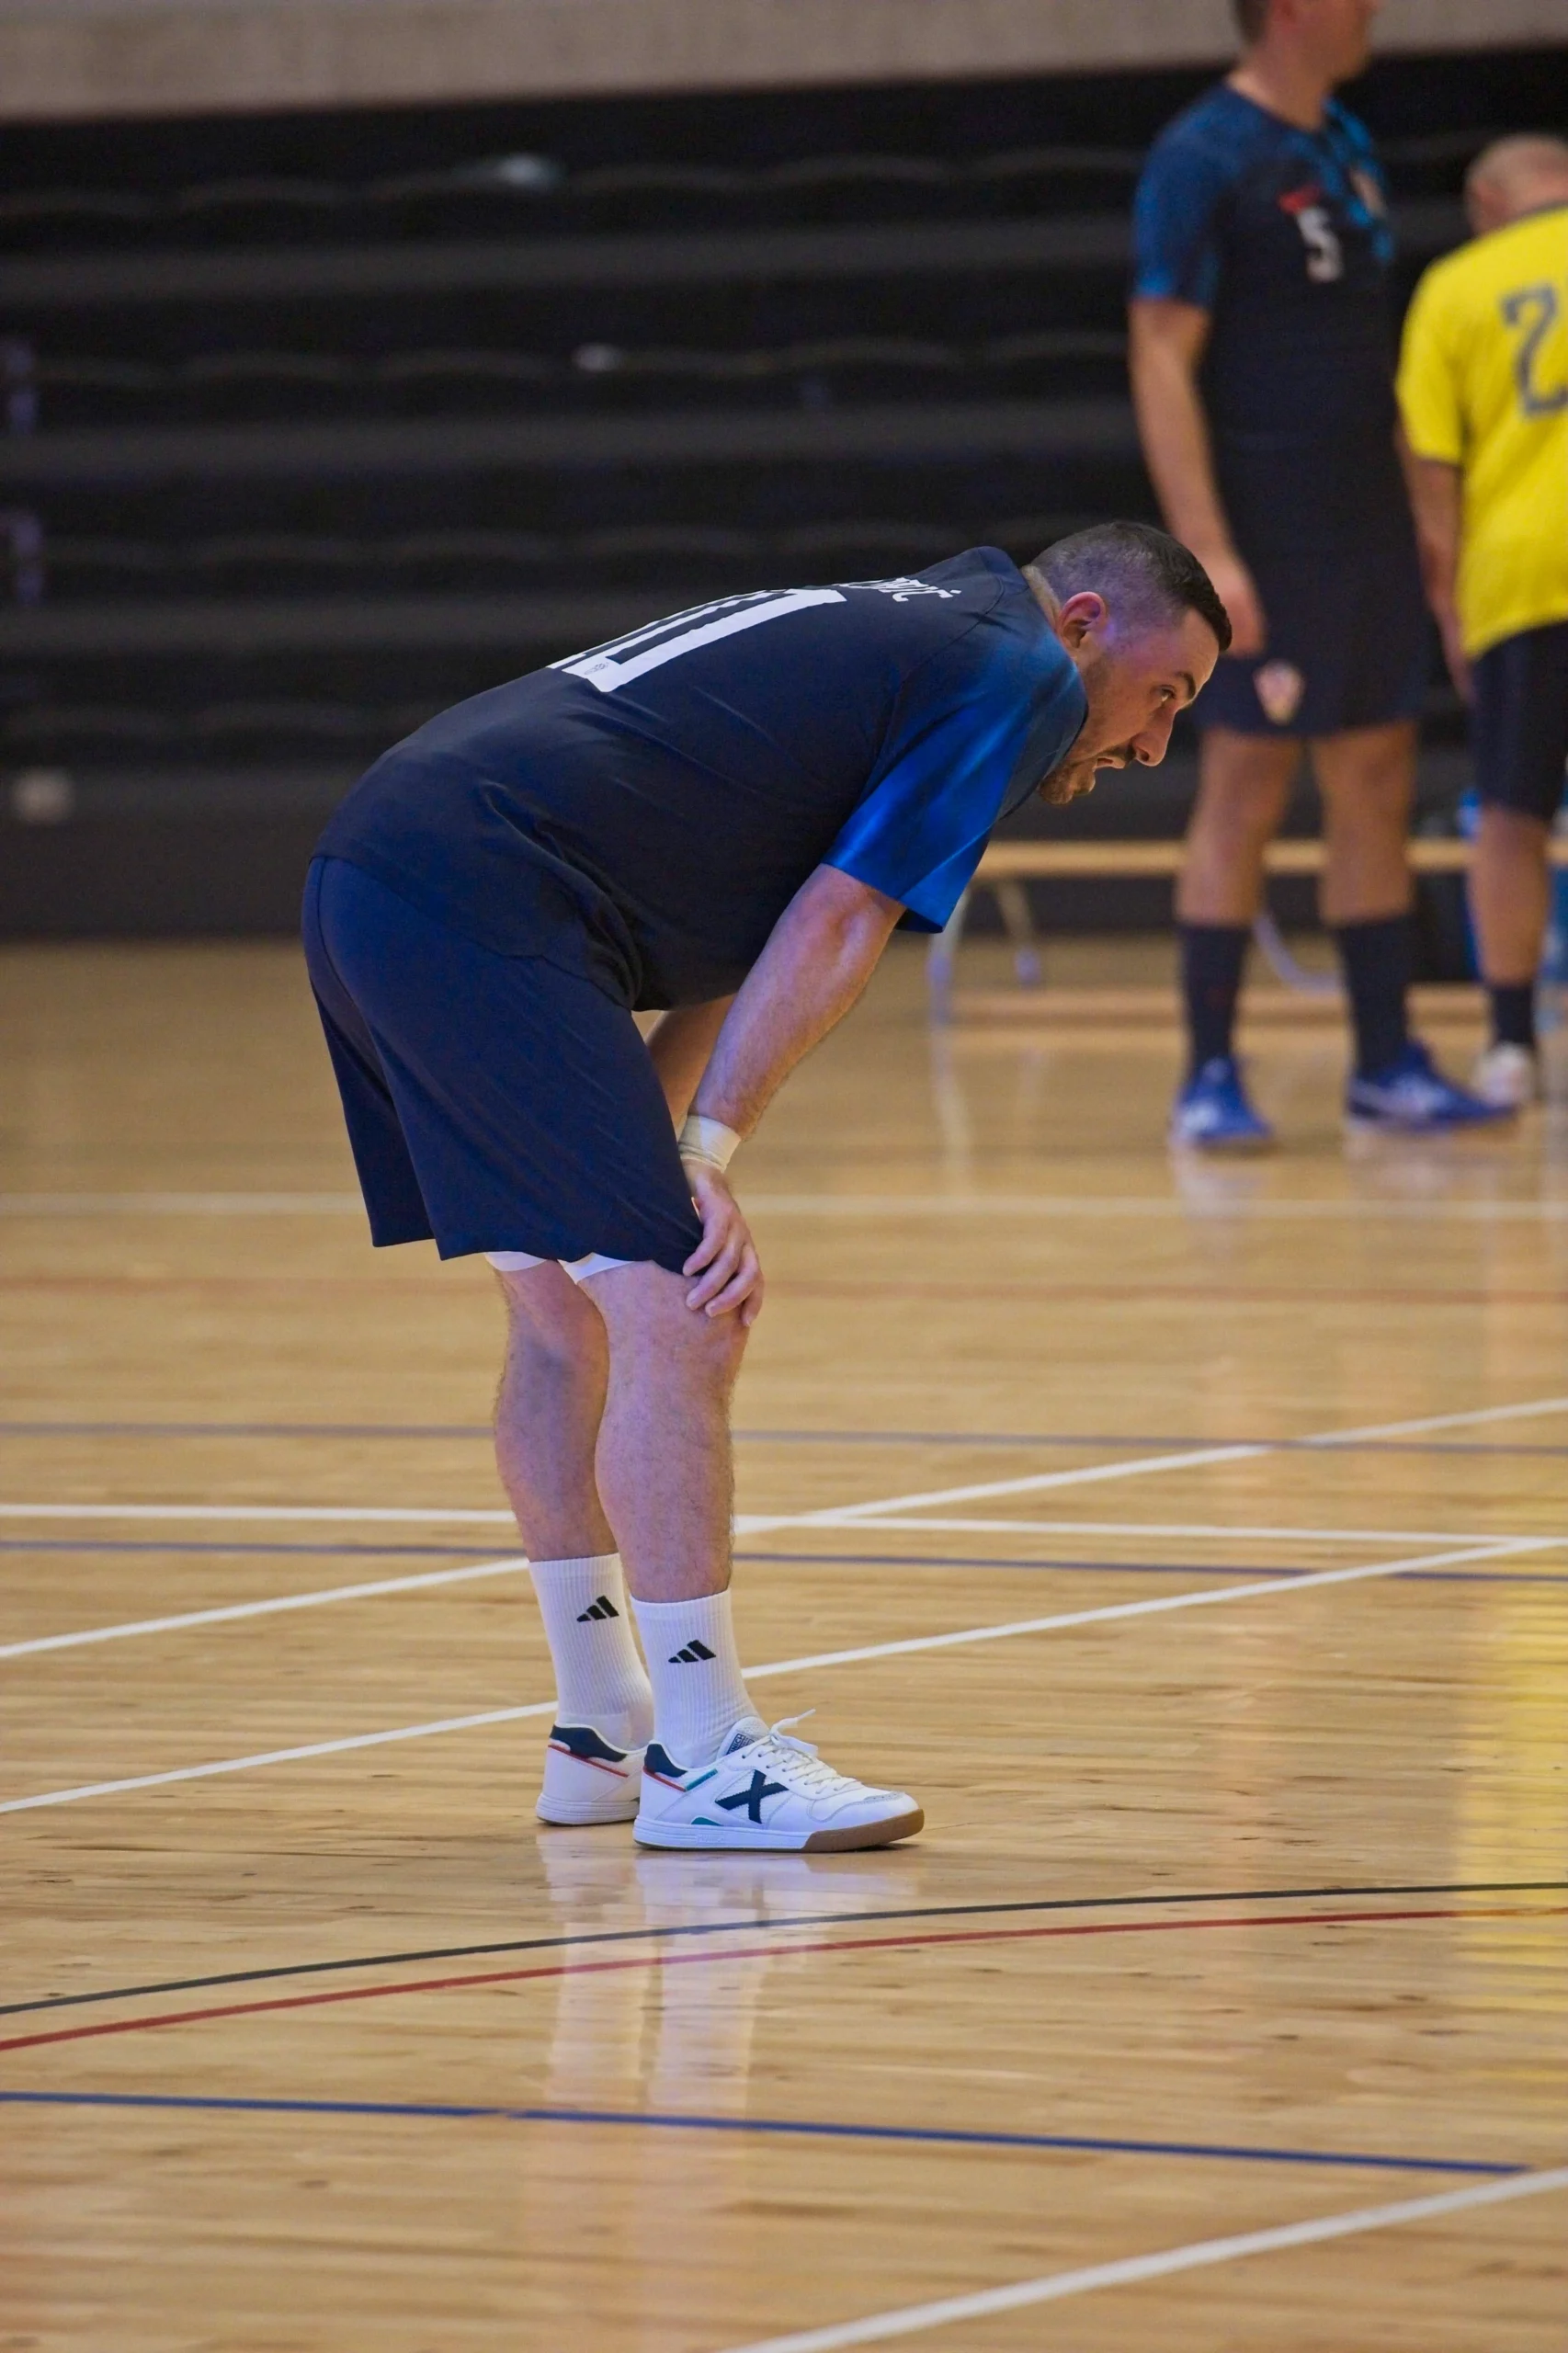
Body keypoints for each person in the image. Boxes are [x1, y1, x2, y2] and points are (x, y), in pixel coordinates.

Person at [302, 524, 1227, 1851]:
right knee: (686, 1307)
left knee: (566, 1316)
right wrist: (700, 1160)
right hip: (475, 894)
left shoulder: (927, 638)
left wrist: (681, 1149)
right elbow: (842, 918)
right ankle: (704, 1756)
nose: (1152, 744)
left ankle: (601, 1727)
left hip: (385, 872)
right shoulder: (1018, 673)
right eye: (1163, 696)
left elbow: (755, 943)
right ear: (1083, 623)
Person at [1129, 0, 1506, 1147]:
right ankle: (1205, 1075)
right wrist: (1207, 549)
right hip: (1265, 527)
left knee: (1375, 773)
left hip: (1366, 524)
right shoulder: (1202, 154)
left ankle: (1384, 1062)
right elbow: (1158, 353)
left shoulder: (1341, 143)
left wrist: (1423, 512)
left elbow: (1373, 356)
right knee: (1245, 781)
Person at [1398, 135, 1568, 1109]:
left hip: (1518, 577)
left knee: (1508, 816)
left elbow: (1432, 466)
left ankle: (1509, 1044)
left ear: (1482, 200)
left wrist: (1448, 602)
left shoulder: (1456, 285)